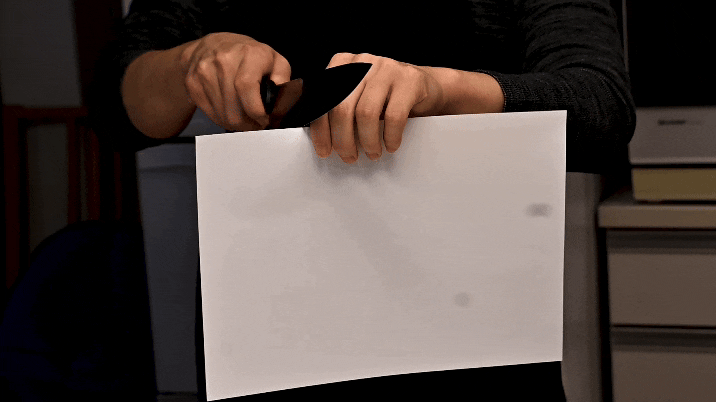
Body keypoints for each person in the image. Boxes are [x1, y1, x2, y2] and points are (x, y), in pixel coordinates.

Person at [88, 0, 636, 400]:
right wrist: (189, 62)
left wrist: (442, 90)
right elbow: (115, 107)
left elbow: (601, 110)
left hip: (475, 330)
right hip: (268, 331)